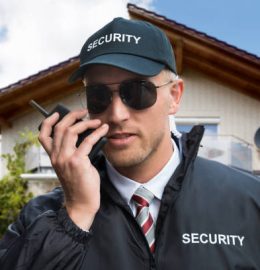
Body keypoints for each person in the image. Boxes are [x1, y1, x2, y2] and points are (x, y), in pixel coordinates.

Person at [0, 17, 260, 270]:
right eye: (98, 96)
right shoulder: (39, 217)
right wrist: (74, 218)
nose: (116, 114)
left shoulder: (250, 201)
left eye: (137, 91)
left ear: (174, 96)